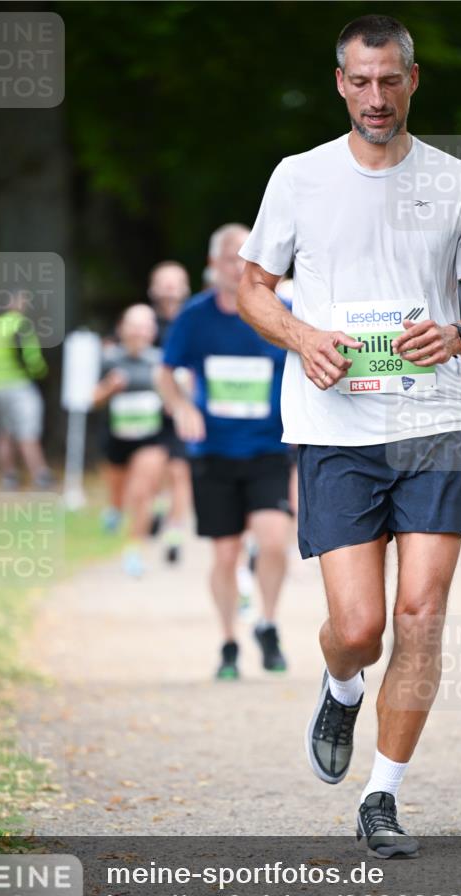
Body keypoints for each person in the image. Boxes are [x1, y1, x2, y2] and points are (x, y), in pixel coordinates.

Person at [237, 14, 461, 857]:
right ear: (338, 83)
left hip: (430, 421)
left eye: (388, 80)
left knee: (421, 616)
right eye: (359, 81)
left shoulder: (458, 181)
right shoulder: (299, 177)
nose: (374, 96)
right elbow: (253, 285)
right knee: (359, 627)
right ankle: (339, 683)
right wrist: (300, 336)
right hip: (335, 425)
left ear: (412, 79)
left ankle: (382, 796)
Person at [157, 224, 293, 680]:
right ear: (214, 264)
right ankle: (229, 640)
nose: (240, 265)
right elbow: (165, 371)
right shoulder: (194, 318)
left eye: (247, 257)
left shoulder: (279, 312)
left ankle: (268, 624)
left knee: (273, 541)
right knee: (225, 555)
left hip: (268, 447)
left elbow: (307, 358)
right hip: (214, 452)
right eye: (232, 257)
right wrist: (179, 407)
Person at [93, 304, 169, 577]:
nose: (138, 332)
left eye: (144, 326)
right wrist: (108, 389)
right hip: (115, 439)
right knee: (119, 496)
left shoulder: (160, 361)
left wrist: (172, 392)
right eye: (133, 326)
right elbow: (92, 400)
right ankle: (114, 510)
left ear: (152, 331)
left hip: (150, 439)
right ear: (121, 328)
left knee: (141, 493)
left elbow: (175, 401)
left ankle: (134, 550)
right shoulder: (108, 359)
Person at [0, 290, 54, 490]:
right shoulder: (20, 324)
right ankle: (40, 476)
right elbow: (31, 357)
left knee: (3, 433)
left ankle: (8, 477)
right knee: (28, 432)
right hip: (19, 385)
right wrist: (41, 372)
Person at [148, 260, 193, 562]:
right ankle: (159, 506)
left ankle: (175, 532)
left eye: (174, 282)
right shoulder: (144, 324)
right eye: (164, 282)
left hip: (183, 410)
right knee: (157, 469)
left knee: (180, 471)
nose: (169, 289)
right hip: (150, 413)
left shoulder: (194, 321)